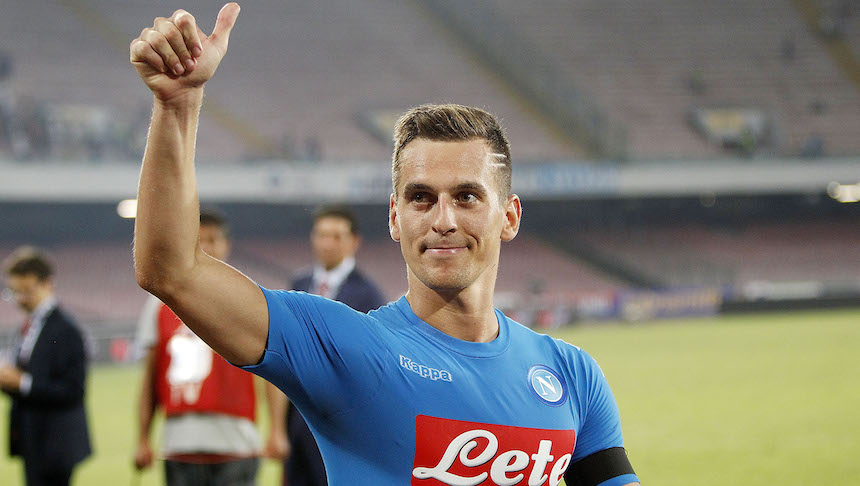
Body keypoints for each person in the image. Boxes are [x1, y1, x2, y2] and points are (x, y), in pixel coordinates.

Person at [129, 4, 640, 486]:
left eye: (466, 197)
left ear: (509, 217)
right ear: (395, 217)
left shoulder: (573, 375)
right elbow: (171, 271)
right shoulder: (347, 350)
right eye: (421, 198)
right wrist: (178, 106)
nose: (443, 220)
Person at [133, 210, 287, 486]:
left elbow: (272, 370)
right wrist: (143, 437)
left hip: (236, 442)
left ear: (227, 244)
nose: (206, 247)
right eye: (198, 240)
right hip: (179, 443)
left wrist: (277, 428)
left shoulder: (249, 298)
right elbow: (151, 377)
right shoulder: (160, 303)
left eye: (213, 240)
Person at [276, 204, 387, 486]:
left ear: (354, 241)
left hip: (341, 419)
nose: (327, 243)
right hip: (298, 417)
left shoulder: (367, 295)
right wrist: (278, 426)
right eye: (321, 235)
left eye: (336, 236)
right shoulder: (299, 283)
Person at [0, 247, 91, 486]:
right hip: (31, 439)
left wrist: (22, 383)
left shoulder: (66, 329)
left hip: (56, 445)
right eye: (15, 292)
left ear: (47, 283)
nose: (20, 299)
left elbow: (73, 390)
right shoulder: (28, 326)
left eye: (26, 291)